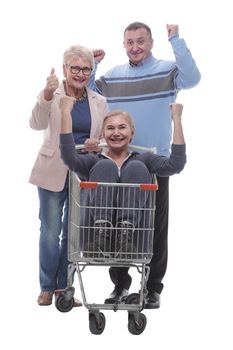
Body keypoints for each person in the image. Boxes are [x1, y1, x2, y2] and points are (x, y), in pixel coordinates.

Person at [89, 22, 201, 308]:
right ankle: (120, 285)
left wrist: (175, 39)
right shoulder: (113, 77)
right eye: (130, 42)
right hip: (118, 160)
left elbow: (192, 77)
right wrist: (92, 64)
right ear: (123, 44)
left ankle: (152, 287)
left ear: (150, 43)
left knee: (154, 226)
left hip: (155, 161)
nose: (135, 47)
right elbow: (88, 93)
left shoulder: (166, 70)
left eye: (140, 41)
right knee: (116, 223)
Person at [59, 96, 186, 301]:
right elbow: (68, 157)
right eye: (110, 128)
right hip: (95, 242)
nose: (116, 132)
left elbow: (176, 164)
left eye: (122, 127)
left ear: (132, 133)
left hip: (133, 242)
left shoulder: (144, 159)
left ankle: (125, 234)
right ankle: (102, 234)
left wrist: (177, 119)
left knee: (136, 167)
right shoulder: (94, 161)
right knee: (105, 166)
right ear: (102, 133)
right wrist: (65, 112)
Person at [29, 45, 109, 306]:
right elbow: (36, 124)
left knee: (73, 233)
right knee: (50, 232)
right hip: (53, 167)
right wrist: (47, 94)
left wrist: (95, 143)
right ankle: (47, 286)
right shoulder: (54, 92)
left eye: (86, 69)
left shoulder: (99, 100)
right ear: (65, 69)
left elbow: (105, 135)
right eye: (75, 68)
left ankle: (64, 287)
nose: (80, 73)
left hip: (82, 170)